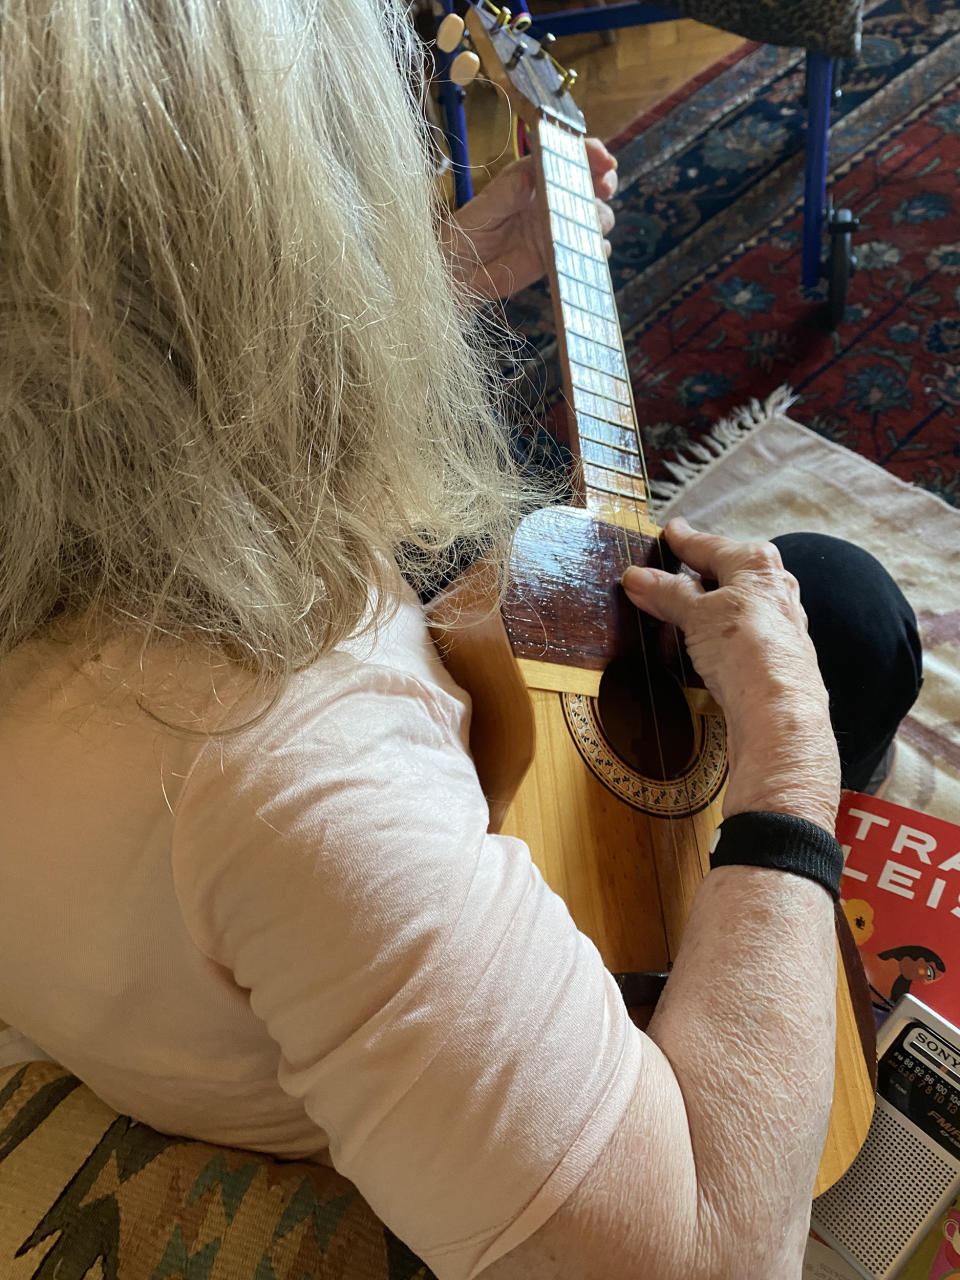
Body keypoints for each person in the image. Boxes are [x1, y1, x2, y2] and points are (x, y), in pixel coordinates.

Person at [0, 3, 920, 1280]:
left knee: (822, 597)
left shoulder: (78, 507)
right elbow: (709, 1256)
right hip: (423, 1108)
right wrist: (788, 777)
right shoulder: (278, 762)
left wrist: (445, 273)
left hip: (238, 902)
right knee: (836, 630)